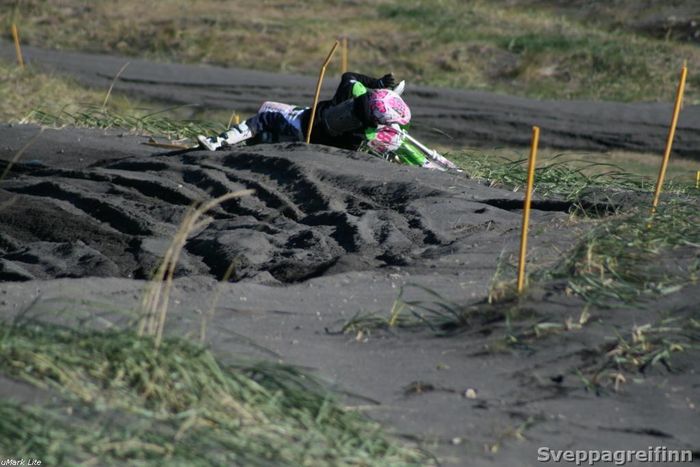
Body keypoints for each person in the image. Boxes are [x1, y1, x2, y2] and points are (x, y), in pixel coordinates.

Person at [197, 72, 410, 151]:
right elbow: (351, 148)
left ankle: (219, 141)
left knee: (264, 118)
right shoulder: (362, 132)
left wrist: (377, 82)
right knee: (268, 138)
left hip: (302, 123)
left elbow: (348, 76)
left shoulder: (344, 97)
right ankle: (244, 144)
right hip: (311, 142)